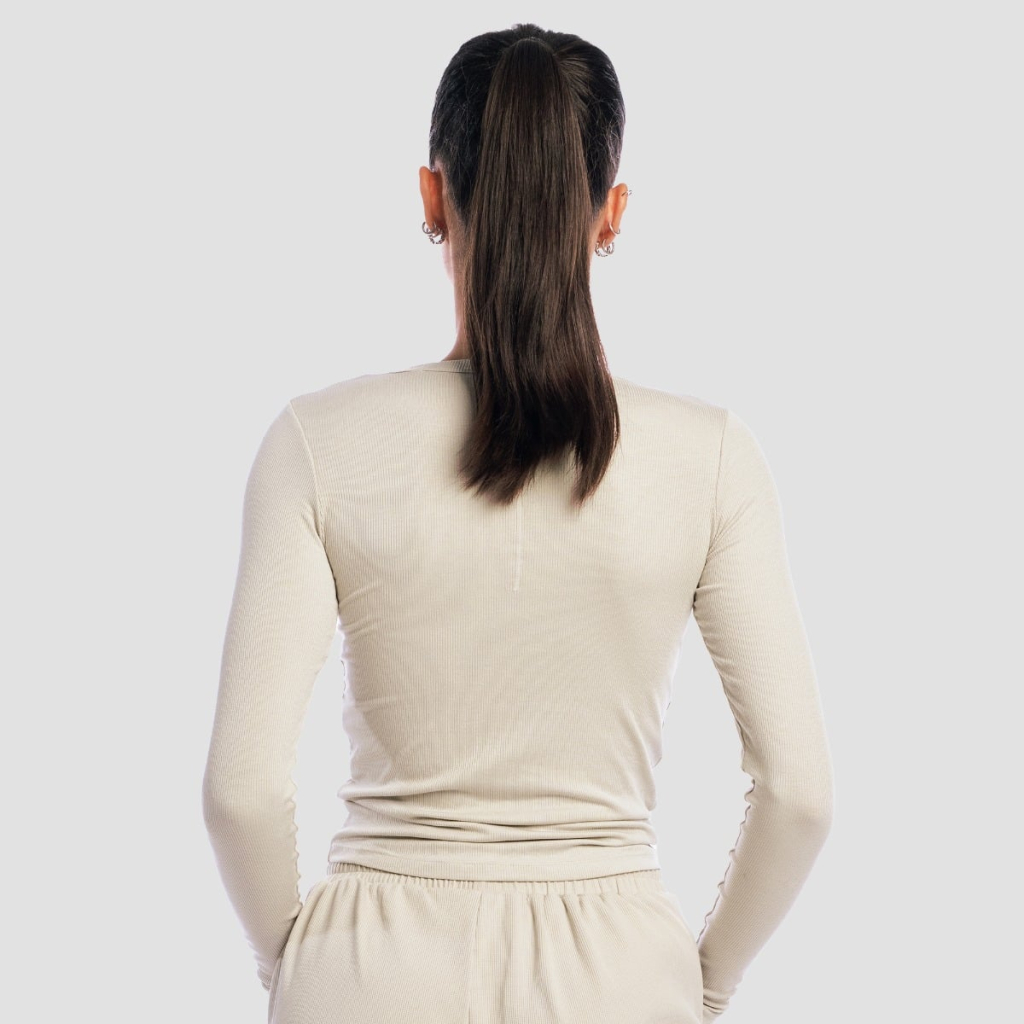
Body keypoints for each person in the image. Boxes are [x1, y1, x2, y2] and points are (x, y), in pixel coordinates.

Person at [201, 21, 834, 1024]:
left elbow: (240, 792)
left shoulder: (317, 443)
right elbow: (799, 794)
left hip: (369, 968)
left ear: (431, 196)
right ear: (610, 212)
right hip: (620, 977)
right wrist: (697, 984)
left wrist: (304, 967)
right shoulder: (710, 457)